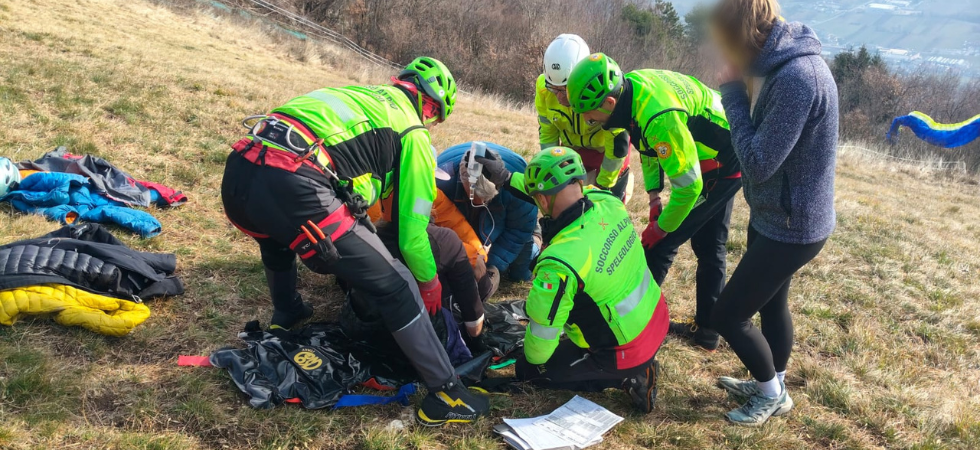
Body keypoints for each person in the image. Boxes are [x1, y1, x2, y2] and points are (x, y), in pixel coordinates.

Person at [220, 56, 489, 426]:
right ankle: (447, 392)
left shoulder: (357, 96)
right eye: (434, 118)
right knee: (398, 285)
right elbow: (412, 236)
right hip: (296, 184)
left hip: (239, 174)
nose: (431, 124)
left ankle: (287, 311)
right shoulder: (413, 131)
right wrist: (428, 284)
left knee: (277, 238)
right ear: (431, 108)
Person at [709, 0, 837, 425]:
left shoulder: (798, 79)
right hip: (777, 214)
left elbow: (759, 161)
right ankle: (773, 382)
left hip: (792, 226)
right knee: (772, 304)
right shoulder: (778, 65)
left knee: (728, 315)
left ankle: (772, 395)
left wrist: (731, 94)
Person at [566, 53, 742, 351]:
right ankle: (708, 332)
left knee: (661, 246)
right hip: (713, 150)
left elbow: (689, 187)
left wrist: (661, 228)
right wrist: (654, 197)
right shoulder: (632, 90)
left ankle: (633, 326)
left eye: (589, 114)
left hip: (723, 161)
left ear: (609, 102)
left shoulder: (658, 117)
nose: (587, 120)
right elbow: (648, 148)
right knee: (710, 245)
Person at [476, 147, 670, 413]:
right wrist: (507, 178)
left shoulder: (560, 262)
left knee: (529, 370)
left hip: (629, 349)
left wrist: (528, 359)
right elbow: (556, 195)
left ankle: (630, 376)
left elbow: (538, 349)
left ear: (542, 200)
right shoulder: (607, 201)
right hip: (656, 317)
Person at [535, 35, 634, 203]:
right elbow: (547, 133)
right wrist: (552, 166)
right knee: (564, 201)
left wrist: (604, 187)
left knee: (607, 201)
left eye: (565, 90)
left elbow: (616, 145)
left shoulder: (603, 89)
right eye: (554, 89)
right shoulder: (543, 89)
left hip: (605, 150)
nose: (559, 98)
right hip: (571, 148)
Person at [436, 142, 539, 282]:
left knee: (521, 274)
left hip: (517, 214)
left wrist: (492, 265)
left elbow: (518, 232)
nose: (480, 203)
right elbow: (443, 225)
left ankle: (537, 237)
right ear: (462, 179)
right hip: (456, 183)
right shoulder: (442, 181)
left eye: (486, 199)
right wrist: (469, 257)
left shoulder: (519, 190)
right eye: (474, 198)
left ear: (498, 185)